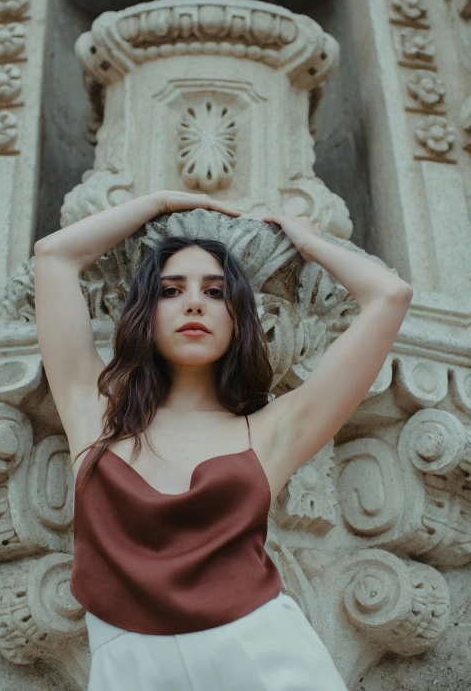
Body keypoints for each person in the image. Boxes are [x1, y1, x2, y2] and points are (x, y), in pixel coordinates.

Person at [34, 190, 413, 690]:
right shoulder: (94, 414)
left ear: (239, 319)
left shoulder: (275, 430)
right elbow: (54, 256)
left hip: (264, 657)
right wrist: (159, 201)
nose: (194, 301)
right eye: (170, 290)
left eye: (215, 292)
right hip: (128, 668)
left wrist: (311, 244)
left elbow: (389, 296)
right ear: (144, 314)